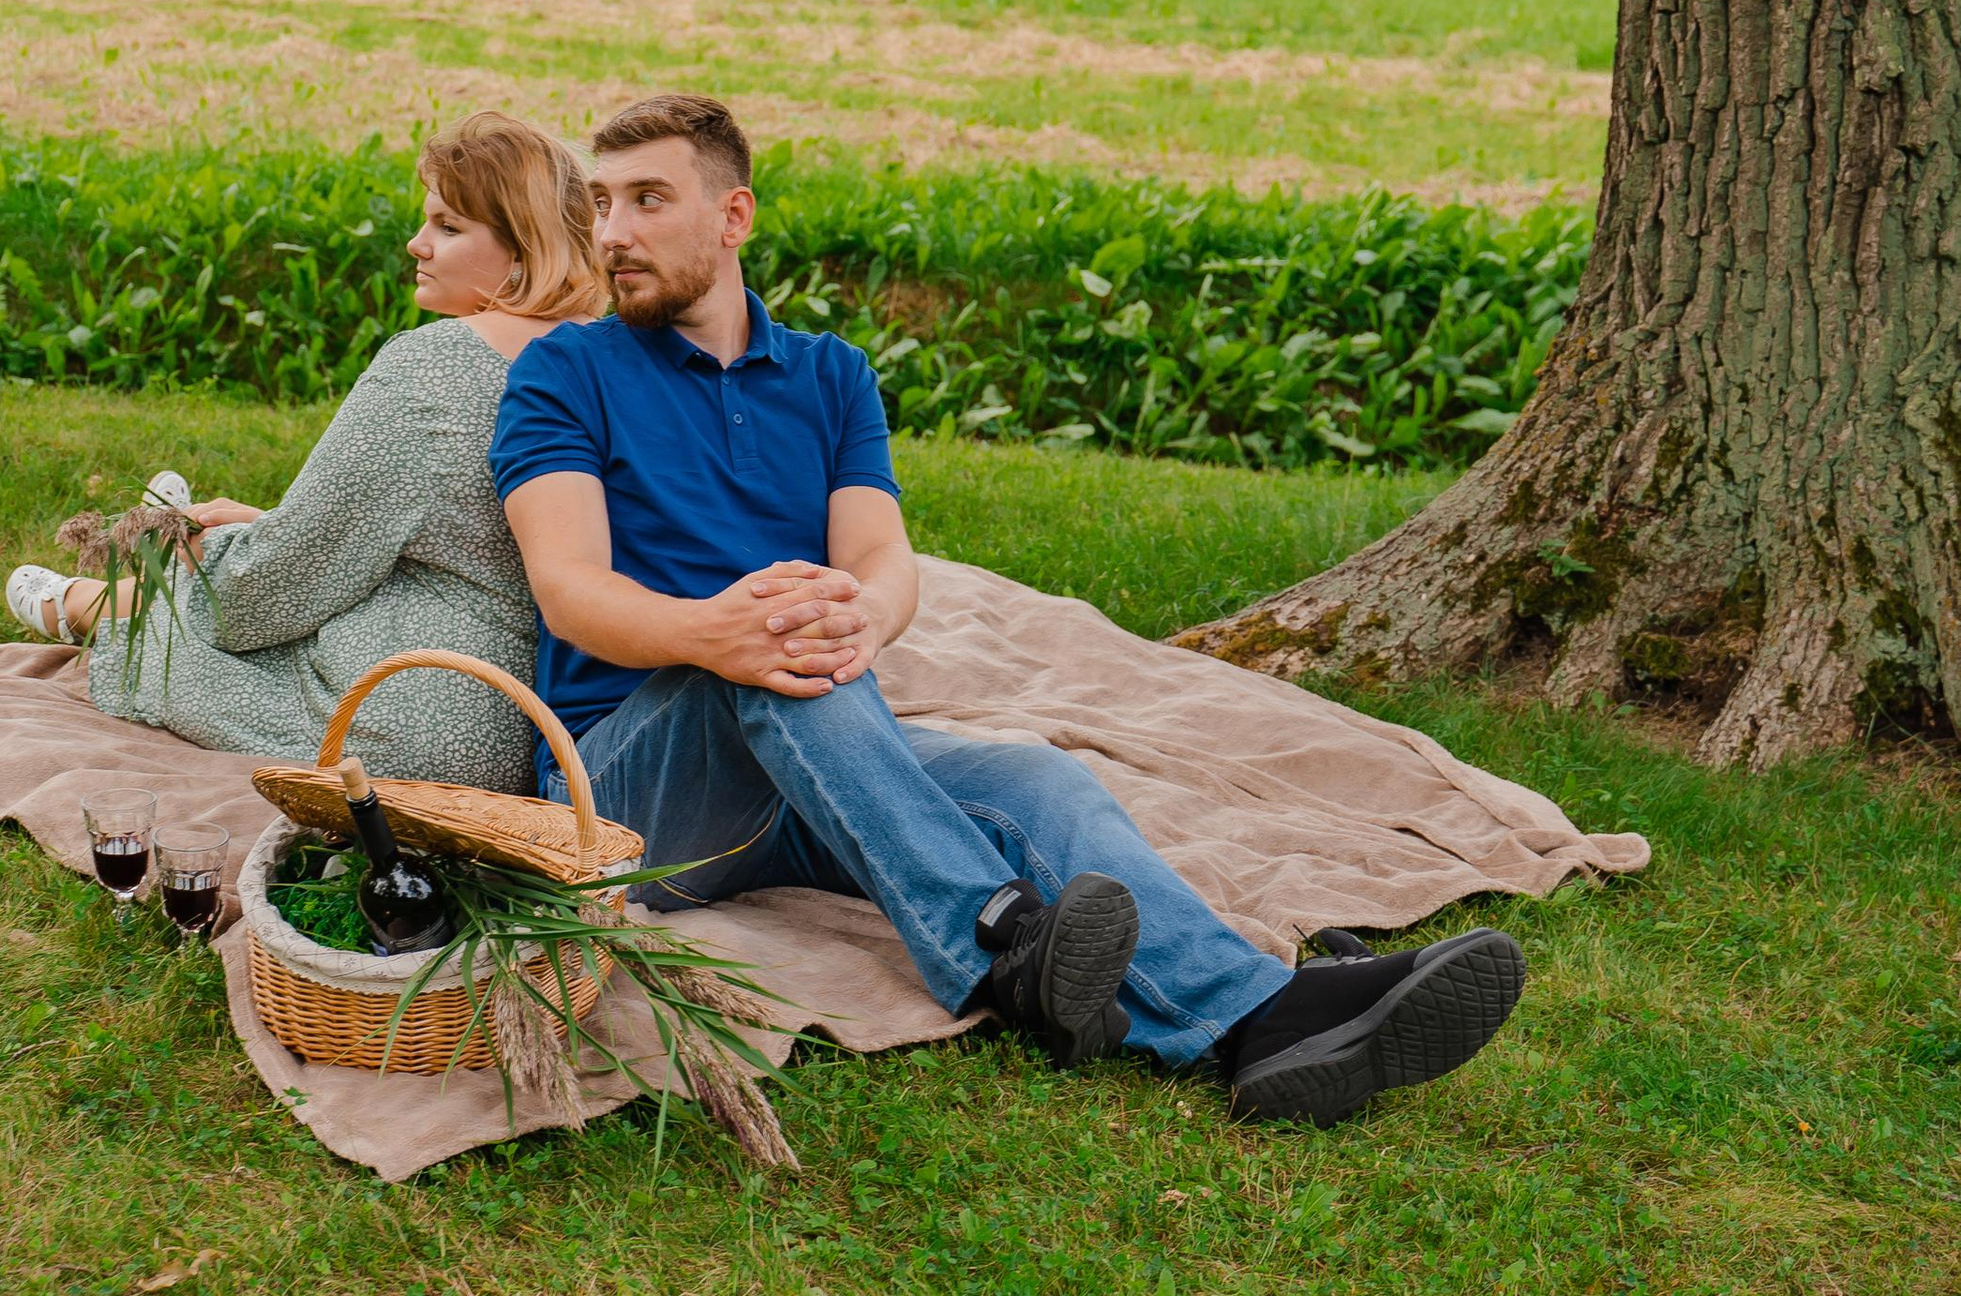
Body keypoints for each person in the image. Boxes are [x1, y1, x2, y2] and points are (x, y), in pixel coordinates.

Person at [490, 93, 1527, 1126]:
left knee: (1035, 778)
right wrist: (716, 634)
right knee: (786, 652)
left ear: (734, 217)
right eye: (602, 203)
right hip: (630, 796)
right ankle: (997, 946)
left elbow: (880, 558)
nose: (613, 232)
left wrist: (868, 617)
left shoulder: (829, 376)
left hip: (814, 763)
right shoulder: (564, 372)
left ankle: (1259, 1020)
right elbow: (571, 592)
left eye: (648, 199)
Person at [1, 112, 605, 788]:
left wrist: (218, 553)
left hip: (405, 722)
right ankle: (146, 577)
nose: (416, 243)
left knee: (212, 634)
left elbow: (277, 586)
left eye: (448, 227)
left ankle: (92, 603)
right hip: (549, 729)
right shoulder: (611, 357)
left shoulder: (433, 368)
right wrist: (267, 525)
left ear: (525, 247)